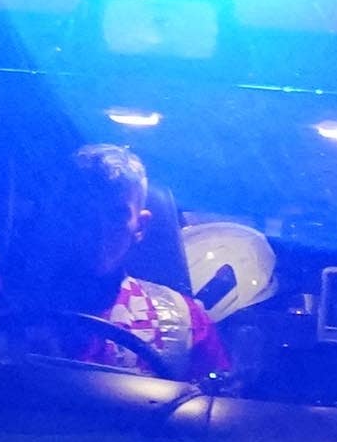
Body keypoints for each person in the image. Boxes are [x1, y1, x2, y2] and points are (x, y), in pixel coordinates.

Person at [24, 144, 223, 377]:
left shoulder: (184, 325)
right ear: (60, 221)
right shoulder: (8, 311)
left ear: (140, 226)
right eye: (83, 214)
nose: (99, 232)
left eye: (116, 216)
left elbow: (220, 403)